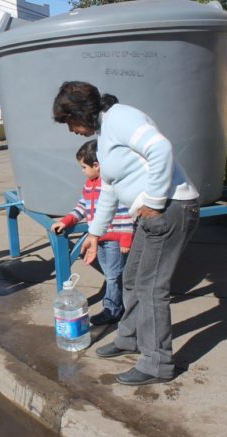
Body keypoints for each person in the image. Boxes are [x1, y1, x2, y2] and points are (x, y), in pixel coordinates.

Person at [52, 81, 200, 386]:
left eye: (69, 122)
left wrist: (156, 201)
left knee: (150, 287)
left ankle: (157, 363)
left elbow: (160, 148)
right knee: (132, 278)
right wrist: (95, 232)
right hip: (154, 211)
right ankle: (130, 337)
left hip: (171, 208)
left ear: (80, 112)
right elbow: (109, 187)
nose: (71, 130)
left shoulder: (120, 118)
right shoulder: (106, 133)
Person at [50, 140, 133, 326]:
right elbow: (82, 207)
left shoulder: (112, 184)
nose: (82, 171)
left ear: (96, 165)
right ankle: (120, 302)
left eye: (84, 167)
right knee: (112, 273)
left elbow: (126, 211)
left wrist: (126, 238)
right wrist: (66, 221)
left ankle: (113, 310)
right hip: (98, 239)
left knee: (113, 275)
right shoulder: (89, 185)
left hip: (114, 240)